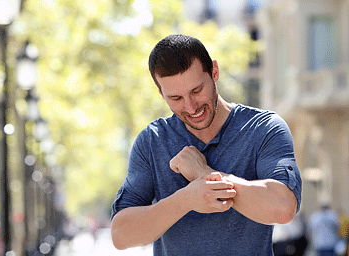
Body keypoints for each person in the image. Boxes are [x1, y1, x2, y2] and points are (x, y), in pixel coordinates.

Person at [110, 34, 302, 255]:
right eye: (176, 98)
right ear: (161, 93)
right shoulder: (151, 141)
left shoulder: (264, 129)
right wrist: (187, 199)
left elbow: (283, 208)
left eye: (196, 91)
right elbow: (121, 235)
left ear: (214, 72)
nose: (191, 107)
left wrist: (205, 174)